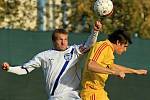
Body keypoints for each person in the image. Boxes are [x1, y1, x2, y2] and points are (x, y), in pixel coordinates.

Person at [1, 21, 102, 100]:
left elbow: (89, 44)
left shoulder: (74, 51)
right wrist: (9, 68)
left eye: (65, 39)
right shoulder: (44, 56)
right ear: (54, 41)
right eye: (60, 40)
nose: (63, 42)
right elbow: (24, 69)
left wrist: (95, 32)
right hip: (55, 97)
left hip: (72, 96)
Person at [80, 29, 147, 100]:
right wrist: (114, 72)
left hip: (100, 92)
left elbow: (112, 66)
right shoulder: (103, 46)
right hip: (92, 93)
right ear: (118, 42)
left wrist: (135, 71)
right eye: (125, 46)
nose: (125, 50)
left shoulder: (109, 50)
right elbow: (91, 65)